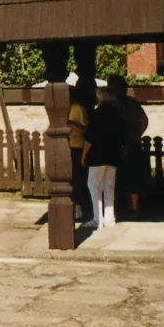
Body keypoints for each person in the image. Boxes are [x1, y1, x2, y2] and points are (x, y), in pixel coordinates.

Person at [80, 85, 125, 230]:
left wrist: (84, 155)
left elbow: (89, 138)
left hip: (97, 155)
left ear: (99, 98)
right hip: (113, 154)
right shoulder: (117, 114)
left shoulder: (96, 114)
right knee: (109, 186)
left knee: (93, 186)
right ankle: (110, 218)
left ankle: (97, 218)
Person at [107, 75, 149, 216]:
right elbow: (144, 121)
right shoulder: (132, 103)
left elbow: (143, 120)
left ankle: (130, 208)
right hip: (127, 143)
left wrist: (136, 136)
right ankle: (131, 207)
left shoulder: (114, 105)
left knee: (126, 176)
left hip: (123, 144)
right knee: (129, 177)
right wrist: (138, 135)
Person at [67, 79, 93, 222]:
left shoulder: (77, 109)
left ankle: (80, 208)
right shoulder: (67, 108)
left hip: (78, 146)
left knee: (78, 180)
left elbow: (85, 129)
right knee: (71, 179)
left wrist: (71, 123)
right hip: (69, 146)